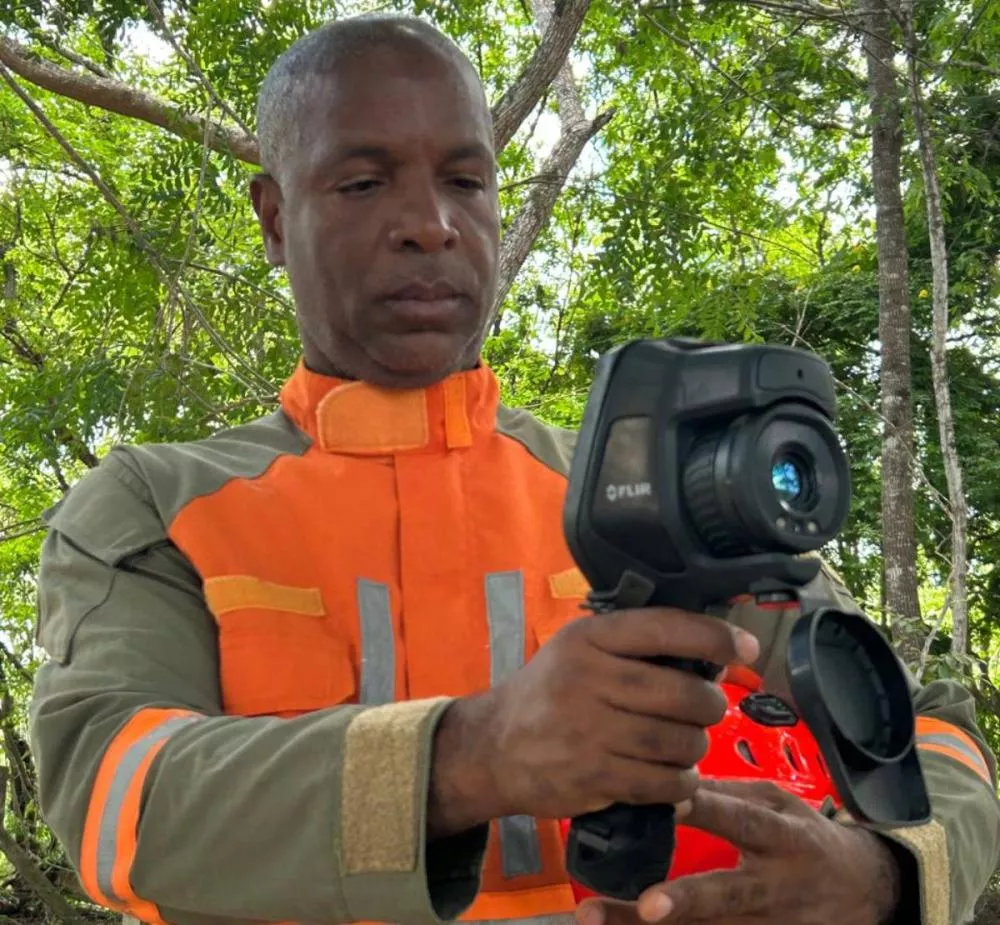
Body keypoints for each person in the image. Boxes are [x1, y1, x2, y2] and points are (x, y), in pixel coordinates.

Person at [28, 13, 999, 925]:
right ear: (276, 221)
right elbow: (112, 799)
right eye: (364, 183)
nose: (430, 225)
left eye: (464, 180)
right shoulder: (160, 504)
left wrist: (888, 878)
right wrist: (470, 755)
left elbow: (926, 736)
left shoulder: (656, 494)